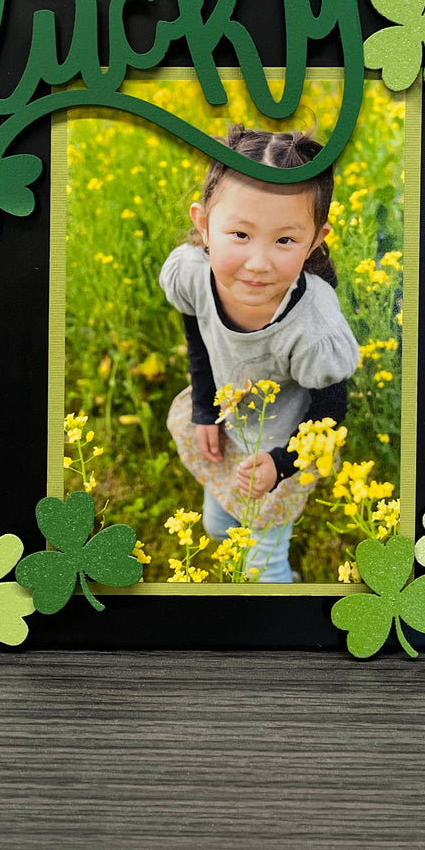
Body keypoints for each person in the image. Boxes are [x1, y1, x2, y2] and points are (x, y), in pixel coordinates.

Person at [159, 125, 360, 582]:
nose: (258, 263)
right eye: (240, 234)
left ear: (315, 240)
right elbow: (200, 341)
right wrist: (204, 409)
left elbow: (331, 410)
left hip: (283, 447)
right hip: (231, 428)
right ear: (204, 224)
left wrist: (281, 464)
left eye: (285, 240)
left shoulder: (313, 325)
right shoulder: (192, 274)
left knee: (261, 570)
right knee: (217, 527)